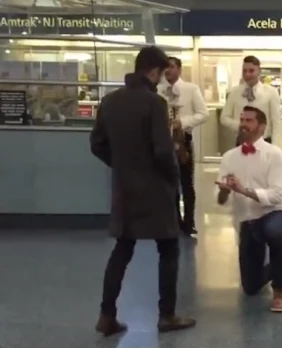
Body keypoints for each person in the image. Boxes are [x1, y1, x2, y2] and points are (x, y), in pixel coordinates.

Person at [90, 46, 195, 336]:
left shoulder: (109, 101)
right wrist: (174, 180)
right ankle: (167, 314)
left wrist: (121, 165)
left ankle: (106, 314)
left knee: (122, 249)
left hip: (125, 188)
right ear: (153, 71)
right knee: (169, 248)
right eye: (161, 74)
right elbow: (163, 151)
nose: (161, 80)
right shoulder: (154, 103)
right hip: (156, 190)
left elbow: (96, 144)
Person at [215, 105, 282, 312]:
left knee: (272, 233)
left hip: (272, 213)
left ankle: (279, 291)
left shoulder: (275, 155)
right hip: (246, 220)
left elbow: (276, 196)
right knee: (251, 287)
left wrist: (243, 190)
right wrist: (225, 191)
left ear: (262, 127)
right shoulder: (229, 157)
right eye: (242, 120)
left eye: (249, 121)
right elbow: (220, 200)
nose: (243, 125)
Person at [159, 56, 209, 236]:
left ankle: (189, 222)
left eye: (171, 67)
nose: (168, 71)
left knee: (186, 183)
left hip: (183, 141)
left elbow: (204, 114)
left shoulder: (191, 89)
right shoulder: (159, 91)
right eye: (165, 68)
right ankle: (174, 222)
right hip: (163, 141)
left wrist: (184, 122)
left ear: (179, 69)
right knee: (169, 183)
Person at [220, 55, 282, 147]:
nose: (247, 74)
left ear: (259, 71)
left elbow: (276, 123)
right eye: (244, 71)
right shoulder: (234, 92)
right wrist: (240, 125)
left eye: (251, 71)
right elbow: (224, 118)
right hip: (242, 142)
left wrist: (275, 147)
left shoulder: (271, 92)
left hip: (264, 142)